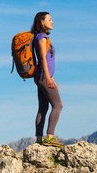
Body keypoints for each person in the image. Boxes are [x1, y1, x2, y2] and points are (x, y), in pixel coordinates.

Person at [31, 12, 64, 147]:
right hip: (43, 76)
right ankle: (50, 137)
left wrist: (51, 78)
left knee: (43, 108)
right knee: (58, 106)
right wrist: (48, 78)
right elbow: (43, 58)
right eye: (49, 19)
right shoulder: (42, 37)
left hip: (42, 76)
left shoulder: (38, 37)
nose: (52, 22)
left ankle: (39, 139)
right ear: (42, 21)